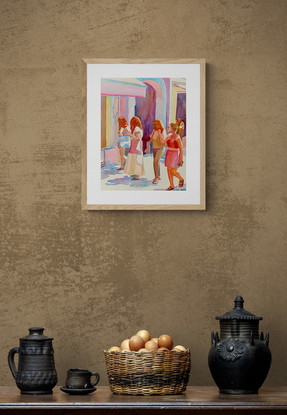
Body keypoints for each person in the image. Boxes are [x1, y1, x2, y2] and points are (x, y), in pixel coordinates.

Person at [164, 123, 184, 190]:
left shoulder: (177, 138)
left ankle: (181, 178)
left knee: (173, 171)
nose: (168, 128)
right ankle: (171, 185)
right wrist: (165, 140)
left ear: (173, 129)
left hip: (175, 154)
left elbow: (181, 149)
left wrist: (180, 160)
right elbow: (165, 145)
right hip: (169, 153)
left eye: (169, 127)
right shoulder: (168, 136)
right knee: (168, 170)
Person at [148, 120, 166, 184]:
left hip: (160, 148)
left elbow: (163, 141)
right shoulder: (154, 130)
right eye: (154, 124)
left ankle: (156, 178)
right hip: (154, 148)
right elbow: (151, 138)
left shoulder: (162, 131)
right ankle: (158, 175)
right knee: (156, 162)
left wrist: (160, 134)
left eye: (156, 124)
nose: (155, 125)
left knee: (155, 161)